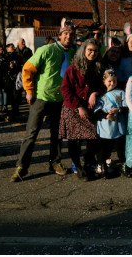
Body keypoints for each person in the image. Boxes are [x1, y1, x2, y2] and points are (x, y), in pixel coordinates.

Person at [11, 19, 77, 182]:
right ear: (60, 35)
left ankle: (55, 162)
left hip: (61, 100)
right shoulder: (46, 50)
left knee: (57, 134)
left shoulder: (74, 52)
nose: (69, 37)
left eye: (72, 34)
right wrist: (29, 91)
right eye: (66, 34)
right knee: (31, 133)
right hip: (41, 98)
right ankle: (22, 166)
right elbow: (27, 69)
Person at [59, 39, 104, 181]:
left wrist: (94, 93)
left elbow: (103, 85)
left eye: (95, 51)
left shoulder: (98, 67)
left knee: (94, 138)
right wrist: (79, 106)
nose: (92, 53)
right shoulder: (73, 68)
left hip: (89, 107)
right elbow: (65, 90)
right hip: (73, 107)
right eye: (90, 50)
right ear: (84, 50)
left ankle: (87, 165)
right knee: (74, 139)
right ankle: (78, 168)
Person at [92, 69, 128, 178]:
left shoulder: (121, 92)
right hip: (105, 127)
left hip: (118, 126)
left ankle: (124, 165)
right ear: (104, 82)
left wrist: (118, 110)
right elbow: (96, 111)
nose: (112, 83)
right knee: (104, 148)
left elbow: (126, 106)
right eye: (109, 81)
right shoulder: (100, 96)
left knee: (120, 147)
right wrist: (106, 115)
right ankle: (103, 166)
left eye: (114, 81)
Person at [4, 43, 23, 121]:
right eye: (11, 47)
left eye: (13, 47)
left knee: (16, 95)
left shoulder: (18, 56)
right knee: (10, 96)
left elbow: (21, 65)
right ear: (7, 48)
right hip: (8, 79)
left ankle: (15, 111)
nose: (13, 48)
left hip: (16, 79)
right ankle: (9, 112)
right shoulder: (5, 56)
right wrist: (8, 67)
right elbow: (3, 66)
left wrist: (15, 65)